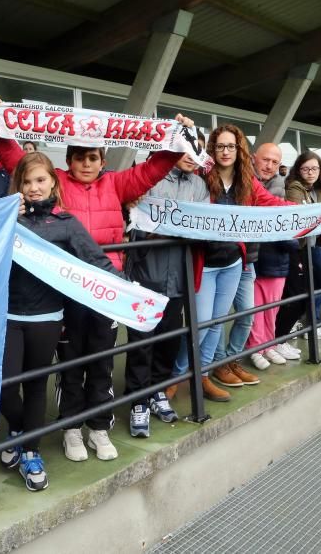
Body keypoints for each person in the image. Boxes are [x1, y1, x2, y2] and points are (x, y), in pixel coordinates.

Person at [0, 98, 191, 463]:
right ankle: (71, 429)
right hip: (65, 290)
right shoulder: (55, 183)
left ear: (103, 159)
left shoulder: (119, 184)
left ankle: (98, 427)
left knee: (102, 362)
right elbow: (18, 162)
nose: (85, 163)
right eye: (79, 157)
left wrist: (175, 141)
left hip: (106, 290)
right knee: (70, 364)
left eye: (92, 157)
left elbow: (153, 169)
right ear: (68, 161)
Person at [0, 152, 121, 489]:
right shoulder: (8, 215)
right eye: (27, 181)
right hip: (8, 315)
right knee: (5, 385)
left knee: (37, 385)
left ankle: (30, 451)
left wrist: (128, 289)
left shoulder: (66, 222)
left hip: (48, 317)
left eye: (40, 180)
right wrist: (4, 213)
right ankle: (19, 429)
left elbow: (97, 260)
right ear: (19, 185)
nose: (34, 188)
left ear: (53, 181)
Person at [180, 126, 294, 397]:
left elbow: (270, 203)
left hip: (233, 263)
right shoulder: (201, 175)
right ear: (212, 149)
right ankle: (176, 377)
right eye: (220, 146)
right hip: (204, 263)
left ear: (239, 149)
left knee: (218, 322)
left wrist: (314, 211)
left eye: (231, 146)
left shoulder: (246, 181)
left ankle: (204, 376)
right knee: (202, 323)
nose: (226, 151)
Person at [125, 153, 208, 434]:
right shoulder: (150, 176)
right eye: (187, 151)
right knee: (141, 341)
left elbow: (205, 224)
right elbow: (133, 221)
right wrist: (155, 231)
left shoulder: (199, 185)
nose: (193, 158)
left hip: (179, 279)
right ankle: (137, 400)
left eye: (197, 152)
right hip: (147, 273)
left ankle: (158, 390)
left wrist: (188, 230)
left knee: (169, 340)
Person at [245, 143, 299, 369]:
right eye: (265, 160)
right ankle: (255, 347)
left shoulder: (279, 184)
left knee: (272, 306)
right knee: (256, 307)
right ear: (253, 158)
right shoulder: (245, 181)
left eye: (275, 162)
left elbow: (283, 220)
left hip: (277, 255)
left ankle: (268, 344)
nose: (269, 166)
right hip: (254, 255)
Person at [277, 152, 321, 342]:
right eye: (306, 169)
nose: (311, 173)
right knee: (301, 292)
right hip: (298, 247)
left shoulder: (318, 189)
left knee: (319, 288)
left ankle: (304, 324)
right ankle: (286, 332)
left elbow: (318, 215)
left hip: (312, 246)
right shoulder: (294, 186)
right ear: (298, 169)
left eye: (315, 168)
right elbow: (300, 214)